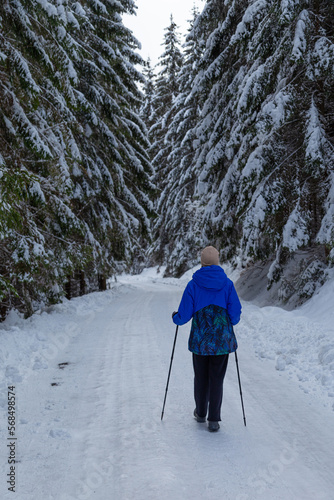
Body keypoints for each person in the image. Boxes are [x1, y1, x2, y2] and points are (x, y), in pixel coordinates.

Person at [172, 246, 242, 432]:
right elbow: (235, 314)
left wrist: (176, 318)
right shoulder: (227, 284)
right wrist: (230, 321)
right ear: (217, 261)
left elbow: (184, 314)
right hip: (221, 341)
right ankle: (214, 419)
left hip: (200, 341)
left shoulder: (193, 285)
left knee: (201, 377)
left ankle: (201, 412)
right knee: (216, 378)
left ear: (202, 262)